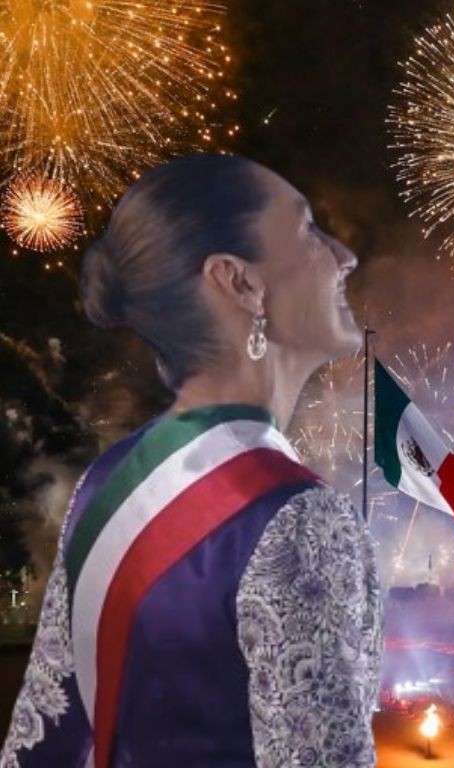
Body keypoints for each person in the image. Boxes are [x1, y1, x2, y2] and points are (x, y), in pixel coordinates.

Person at [0, 155, 383, 767]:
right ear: (238, 282)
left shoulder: (110, 478)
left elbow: (44, 738)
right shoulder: (302, 519)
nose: (344, 255)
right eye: (309, 230)